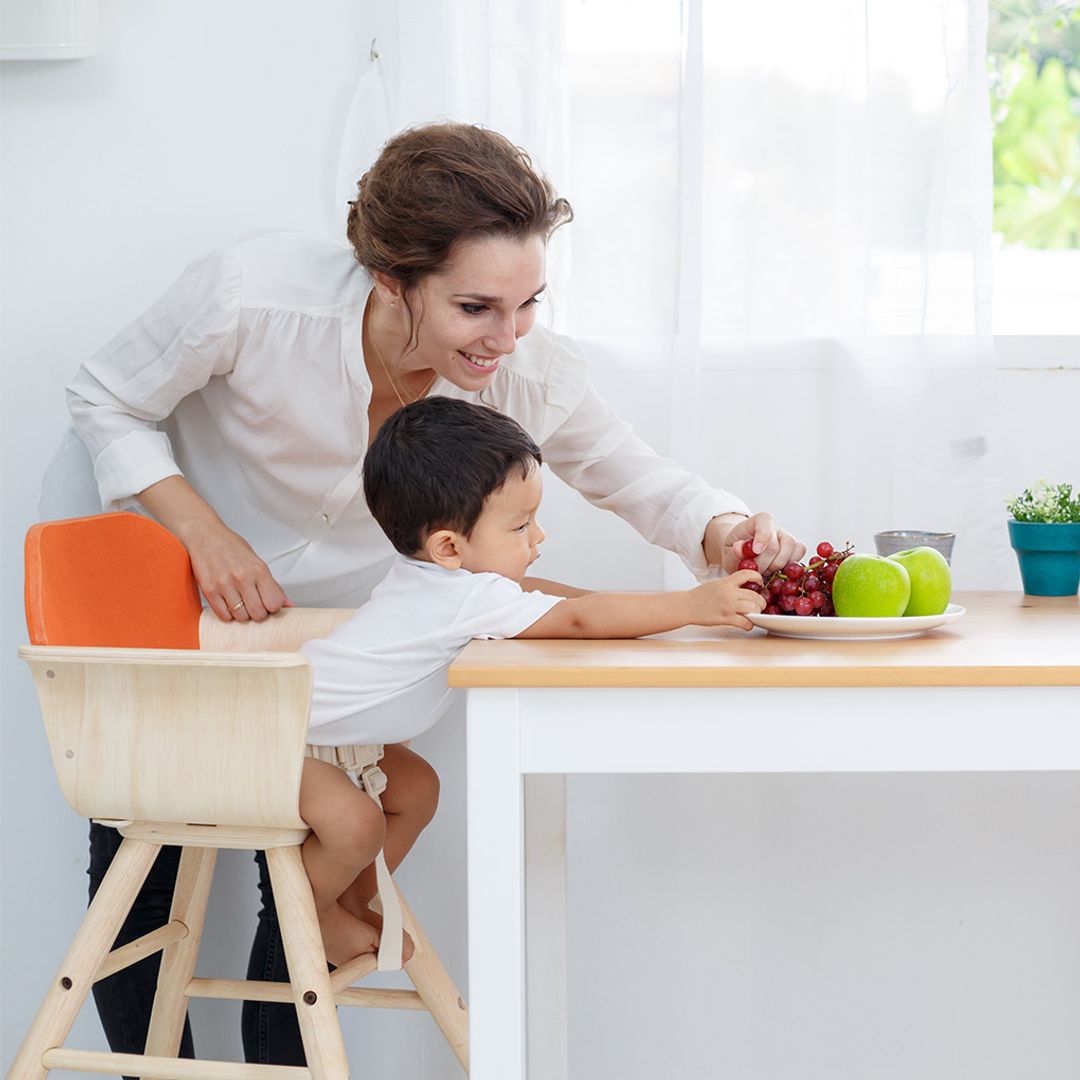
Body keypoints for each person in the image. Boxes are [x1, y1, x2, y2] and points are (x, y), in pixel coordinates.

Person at [45, 121, 805, 1067]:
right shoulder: (252, 297)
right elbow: (105, 398)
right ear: (392, 280)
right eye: (478, 307)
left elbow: (640, 479)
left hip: (329, 634)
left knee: (295, 867)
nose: (507, 338)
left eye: (529, 304)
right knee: (147, 854)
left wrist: (724, 532)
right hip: (171, 579)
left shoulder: (528, 371)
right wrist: (201, 530)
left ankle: (280, 1051)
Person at [297, 397, 767, 973]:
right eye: (521, 525)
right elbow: (577, 621)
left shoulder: (438, 581)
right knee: (356, 823)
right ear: (449, 546)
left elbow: (558, 603)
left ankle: (349, 898)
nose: (537, 536)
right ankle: (310, 917)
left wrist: (620, 607)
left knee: (416, 789)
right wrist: (692, 606)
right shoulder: (463, 596)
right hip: (276, 736)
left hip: (327, 740)